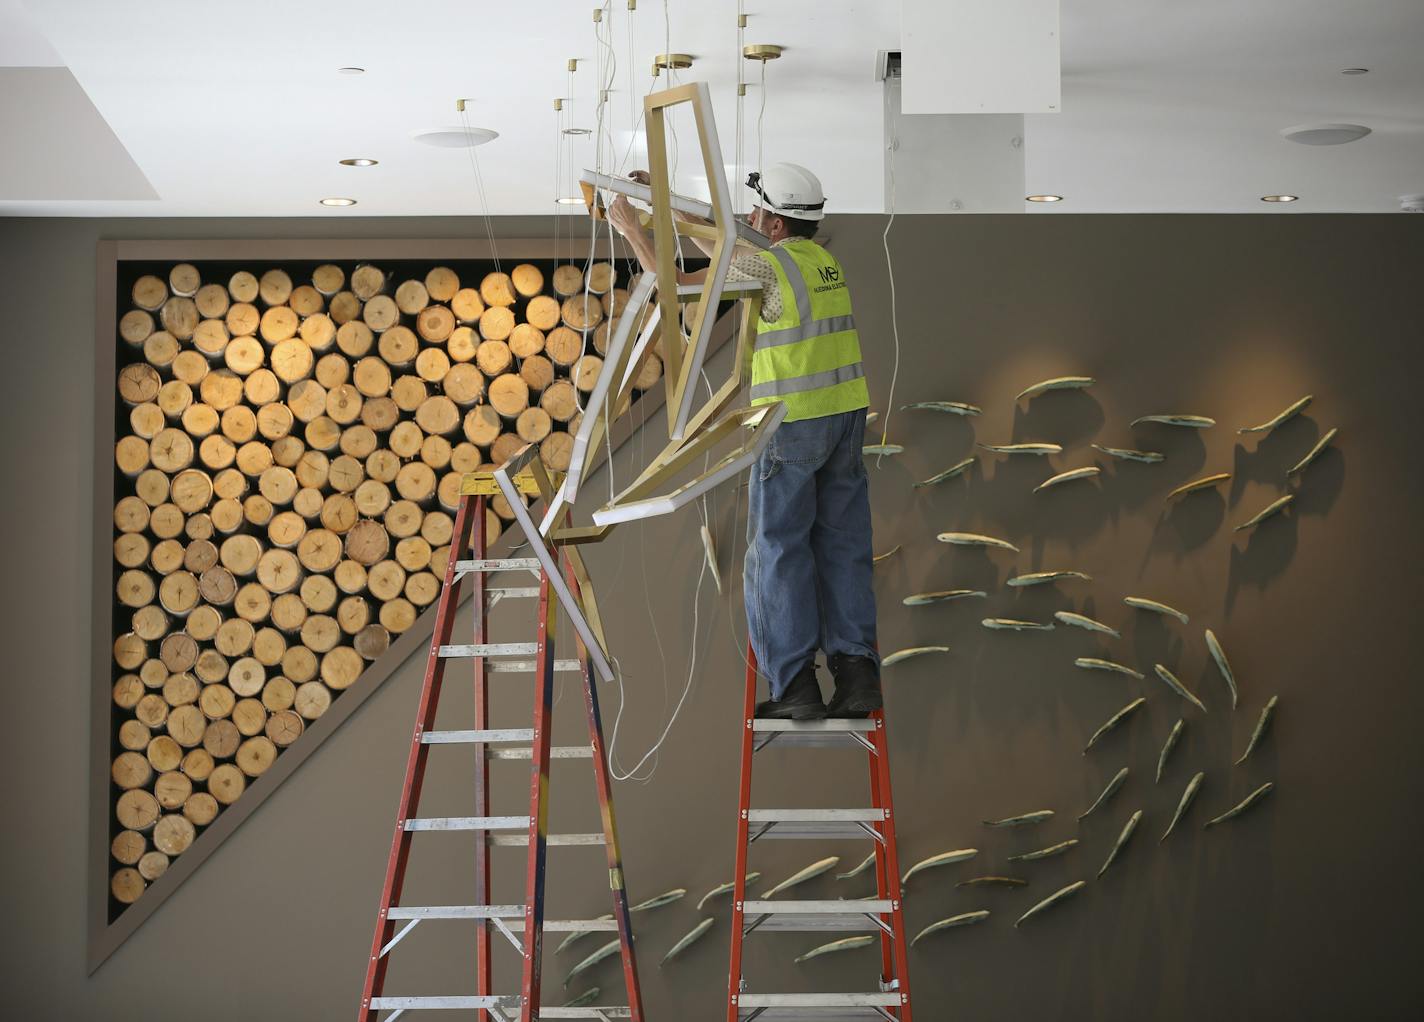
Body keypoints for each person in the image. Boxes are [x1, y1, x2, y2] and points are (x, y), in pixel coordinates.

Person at [605, 163, 881, 720]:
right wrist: (672, 210)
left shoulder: (772, 268)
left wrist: (634, 230)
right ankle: (856, 676)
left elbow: (674, 289)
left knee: (777, 549)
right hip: (845, 420)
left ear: (774, 224)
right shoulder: (820, 261)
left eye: (757, 212)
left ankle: (795, 684)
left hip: (793, 423)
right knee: (842, 547)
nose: (749, 218)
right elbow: (735, 248)